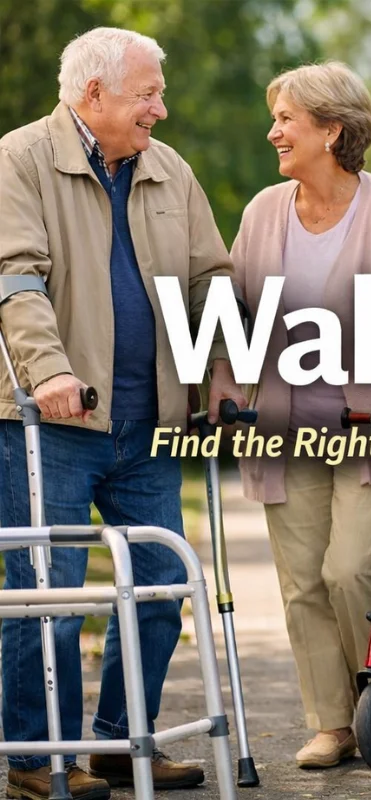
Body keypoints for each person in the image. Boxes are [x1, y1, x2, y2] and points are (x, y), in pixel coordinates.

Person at [0, 27, 244, 799]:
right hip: (49, 424)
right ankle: (38, 759)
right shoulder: (18, 160)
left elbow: (211, 278)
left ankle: (112, 742)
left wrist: (225, 366)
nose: (161, 112)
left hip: (149, 420)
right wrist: (51, 373)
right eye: (148, 95)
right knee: (52, 596)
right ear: (93, 93)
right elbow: (16, 281)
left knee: (164, 587)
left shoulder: (167, 169)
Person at [231, 62, 371, 769]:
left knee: (348, 572)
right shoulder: (263, 212)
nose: (273, 132)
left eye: (286, 119)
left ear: (332, 130)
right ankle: (332, 724)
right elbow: (232, 315)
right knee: (301, 581)